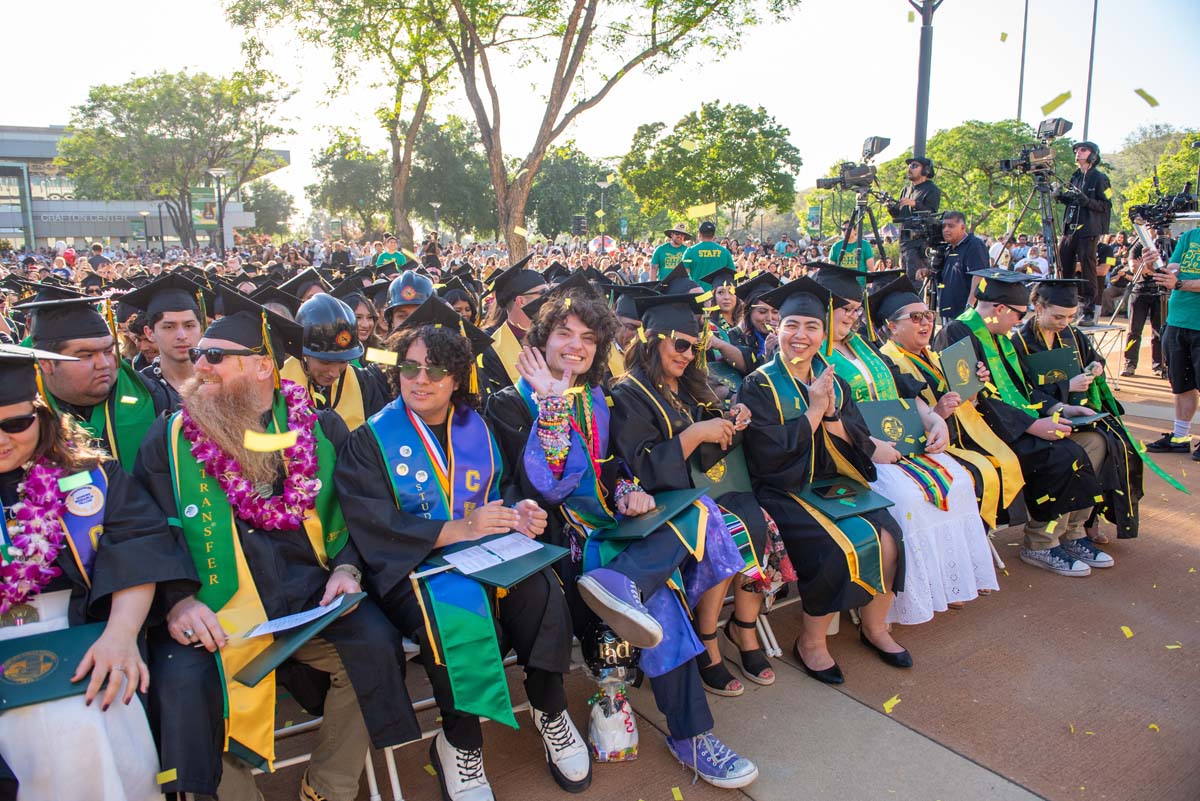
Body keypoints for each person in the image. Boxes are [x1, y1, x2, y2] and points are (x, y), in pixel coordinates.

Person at [135, 292, 419, 800]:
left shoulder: (321, 429)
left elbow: (355, 514)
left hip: (308, 597)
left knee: (376, 644)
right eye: (199, 353)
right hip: (216, 608)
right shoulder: (170, 440)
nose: (200, 365)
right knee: (184, 683)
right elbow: (149, 530)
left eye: (215, 356)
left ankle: (328, 786)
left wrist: (348, 569)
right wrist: (178, 600)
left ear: (263, 366)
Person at [486, 288, 759, 788]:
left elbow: (613, 466)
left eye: (589, 337)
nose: (576, 345)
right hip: (555, 549)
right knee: (663, 601)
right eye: (564, 333)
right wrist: (550, 405)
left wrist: (629, 490)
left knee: (696, 511)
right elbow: (545, 486)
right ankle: (690, 733)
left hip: (610, 533)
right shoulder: (508, 404)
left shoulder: (596, 396)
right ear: (541, 339)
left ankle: (626, 585)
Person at [335, 298, 590, 801]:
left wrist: (519, 512)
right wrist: (456, 530)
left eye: (436, 370)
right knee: (456, 612)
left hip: (486, 551)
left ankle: (550, 707)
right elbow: (373, 522)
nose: (420, 379)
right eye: (410, 367)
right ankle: (460, 743)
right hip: (417, 568)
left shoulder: (479, 425)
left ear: (456, 379)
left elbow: (507, 486)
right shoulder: (372, 439)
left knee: (540, 589)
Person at [0, 344, 195, 801]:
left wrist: (121, 636)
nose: (1, 440)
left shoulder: (94, 477)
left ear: (40, 414)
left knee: (83, 718)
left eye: (16, 424)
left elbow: (136, 549)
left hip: (85, 634)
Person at [738, 278, 910, 681]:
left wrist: (831, 415)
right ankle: (812, 641)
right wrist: (814, 410)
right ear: (777, 327)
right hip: (782, 489)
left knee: (890, 536)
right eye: (792, 325)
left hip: (830, 483)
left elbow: (857, 441)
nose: (801, 335)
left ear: (823, 332)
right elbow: (767, 457)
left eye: (812, 327)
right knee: (833, 548)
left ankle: (875, 627)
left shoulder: (835, 381)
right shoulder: (758, 384)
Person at [609, 292, 778, 693]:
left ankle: (744, 627)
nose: (688, 355)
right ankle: (707, 639)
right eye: (680, 345)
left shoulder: (689, 384)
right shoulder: (628, 392)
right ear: (653, 340)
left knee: (759, 521)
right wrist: (695, 434)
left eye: (694, 347)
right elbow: (640, 467)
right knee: (726, 531)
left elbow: (716, 428)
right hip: (665, 504)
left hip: (708, 489)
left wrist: (734, 417)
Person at [811, 265, 998, 623]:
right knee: (908, 497)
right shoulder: (815, 357)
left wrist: (933, 420)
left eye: (856, 309)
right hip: (853, 453)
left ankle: (942, 583)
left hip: (899, 442)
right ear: (825, 307)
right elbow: (829, 419)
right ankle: (903, 600)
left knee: (959, 481)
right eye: (845, 308)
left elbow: (906, 392)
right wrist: (870, 447)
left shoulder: (864, 347)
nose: (852, 316)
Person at [933, 269, 1108, 577]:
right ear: (1000, 308)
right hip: (982, 431)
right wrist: (1032, 426)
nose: (1020, 322)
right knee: (1063, 454)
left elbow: (1022, 388)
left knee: (1095, 441)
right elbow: (977, 400)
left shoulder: (999, 337)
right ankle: (1040, 543)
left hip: (1016, 422)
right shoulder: (957, 334)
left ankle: (1072, 534)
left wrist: (1060, 407)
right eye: (1019, 314)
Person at [871, 275, 1024, 532]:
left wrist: (973, 386)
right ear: (892, 326)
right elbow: (898, 422)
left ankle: (977, 537)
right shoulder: (888, 364)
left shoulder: (932, 355)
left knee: (1005, 459)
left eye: (928, 315)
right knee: (978, 473)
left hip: (957, 435)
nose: (926, 323)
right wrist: (938, 413)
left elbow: (965, 401)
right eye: (915, 318)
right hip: (925, 447)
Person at [1010, 278, 1149, 544]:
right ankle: (1055, 533)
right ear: (1038, 308)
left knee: (1117, 446)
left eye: (1071, 316)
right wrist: (1066, 386)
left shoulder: (1073, 335)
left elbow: (1094, 359)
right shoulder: (1019, 343)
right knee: (1075, 453)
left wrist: (1095, 368)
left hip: (1080, 414)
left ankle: (1082, 524)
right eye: (1058, 316)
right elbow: (1020, 391)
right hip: (1042, 422)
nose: (1064, 322)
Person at [17, 287, 169, 472]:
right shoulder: (19, 419)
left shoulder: (154, 397)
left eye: (108, 351)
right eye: (87, 355)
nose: (103, 364)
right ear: (47, 363)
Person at [281, 293, 392, 430]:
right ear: (303, 353)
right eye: (325, 362)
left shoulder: (366, 374)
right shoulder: (279, 385)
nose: (335, 373)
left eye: (369, 317)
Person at [1144, 224, 1200, 461]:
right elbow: (1173, 269)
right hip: (1177, 321)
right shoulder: (1191, 236)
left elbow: (1177, 281)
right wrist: (1154, 266)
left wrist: (1178, 284)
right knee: (1181, 384)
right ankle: (1180, 437)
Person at [122, 273, 209, 411]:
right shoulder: (138, 388)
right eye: (169, 327)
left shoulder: (218, 381)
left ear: (202, 329)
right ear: (150, 333)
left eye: (189, 326)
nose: (182, 336)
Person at [1055, 142, 1112, 326]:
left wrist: (1087, 201)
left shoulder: (1101, 178)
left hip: (1089, 230)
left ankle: (1088, 310)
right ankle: (1064, 305)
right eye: (1077, 150)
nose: (1078, 153)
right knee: (1064, 265)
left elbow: (1107, 204)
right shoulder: (1076, 176)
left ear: (1093, 155)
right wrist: (1060, 196)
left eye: (1083, 150)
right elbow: (1072, 200)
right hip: (1070, 228)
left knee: (1088, 267)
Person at [479, 258, 549, 396]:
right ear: (520, 301)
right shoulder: (492, 350)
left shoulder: (554, 334)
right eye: (542, 293)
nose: (549, 297)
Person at [1122, 232, 1173, 377]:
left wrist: (1146, 267)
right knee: (1134, 330)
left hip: (1161, 293)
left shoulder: (1170, 244)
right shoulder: (1139, 245)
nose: (1154, 230)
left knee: (1159, 331)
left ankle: (1159, 365)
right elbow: (1135, 269)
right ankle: (1129, 363)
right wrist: (1154, 269)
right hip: (1140, 292)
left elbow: (1172, 270)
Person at [888, 157, 942, 282]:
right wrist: (890, 207)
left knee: (915, 282)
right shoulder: (905, 190)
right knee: (905, 281)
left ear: (925, 170)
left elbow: (932, 214)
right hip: (904, 243)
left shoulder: (932, 189)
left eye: (914, 166)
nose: (909, 168)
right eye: (909, 166)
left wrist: (915, 204)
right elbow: (899, 216)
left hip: (919, 244)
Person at [936, 211, 989, 322]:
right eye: (944, 226)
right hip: (948, 311)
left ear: (963, 227)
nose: (946, 230)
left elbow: (979, 275)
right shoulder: (949, 248)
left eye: (951, 226)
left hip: (964, 313)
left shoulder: (974, 245)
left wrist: (970, 305)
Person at [681, 222, 735, 289]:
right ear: (713, 235)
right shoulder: (725, 252)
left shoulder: (690, 251)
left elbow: (683, 275)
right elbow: (732, 274)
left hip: (698, 292)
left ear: (699, 234)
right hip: (717, 293)